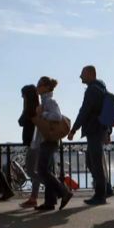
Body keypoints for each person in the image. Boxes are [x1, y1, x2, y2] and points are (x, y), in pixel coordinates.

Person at [67, 65, 110, 205]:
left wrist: (73, 129)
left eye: (83, 74)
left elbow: (84, 111)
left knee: (94, 163)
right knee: (92, 162)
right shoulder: (101, 88)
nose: (80, 77)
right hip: (100, 129)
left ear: (91, 74)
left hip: (94, 130)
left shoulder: (92, 90)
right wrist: (108, 131)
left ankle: (100, 195)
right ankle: (105, 189)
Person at [33, 76, 73, 211]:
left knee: (42, 170)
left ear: (46, 87)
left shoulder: (49, 101)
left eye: (39, 84)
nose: (37, 87)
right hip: (48, 140)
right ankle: (50, 202)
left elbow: (57, 116)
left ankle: (65, 192)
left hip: (49, 140)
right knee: (47, 171)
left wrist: (42, 114)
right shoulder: (44, 101)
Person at [18, 84, 42, 208]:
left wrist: (24, 108)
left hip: (34, 142)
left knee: (31, 170)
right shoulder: (36, 108)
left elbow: (21, 121)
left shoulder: (31, 109)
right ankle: (34, 197)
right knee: (34, 170)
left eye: (23, 94)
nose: (22, 97)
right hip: (34, 142)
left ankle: (57, 188)